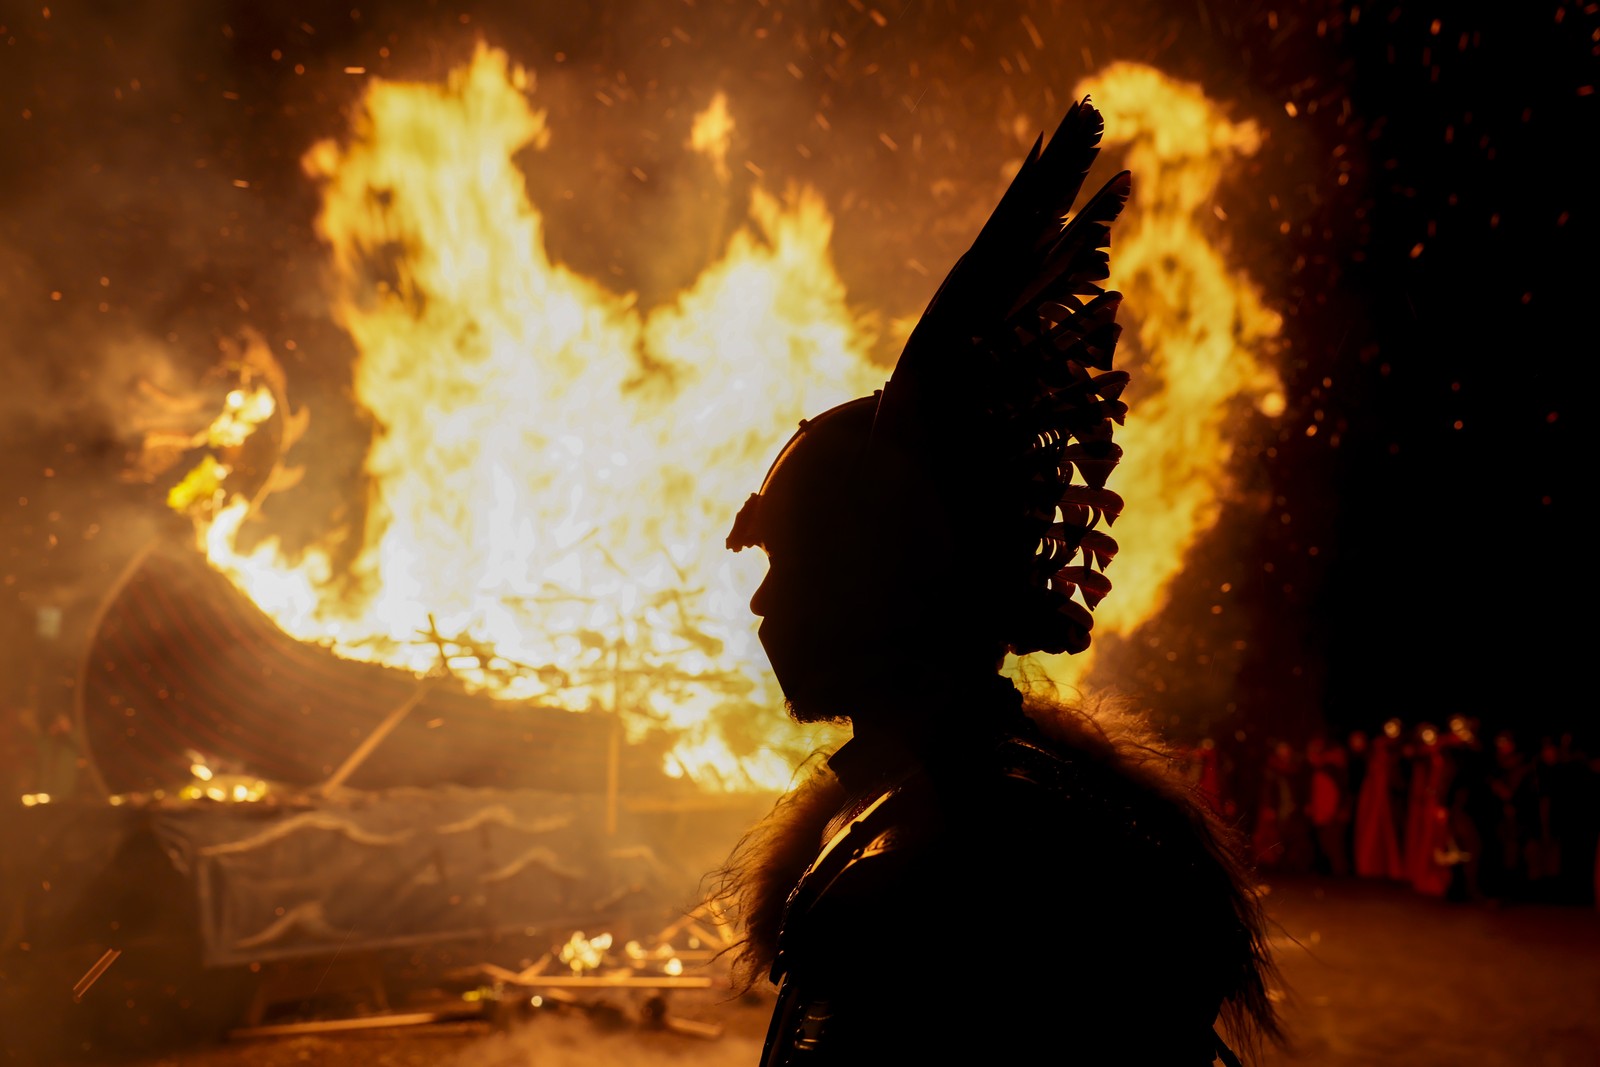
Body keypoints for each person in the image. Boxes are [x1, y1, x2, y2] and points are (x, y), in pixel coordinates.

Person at [715, 98, 1277, 1065]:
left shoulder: (957, 865)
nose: (764, 603)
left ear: (881, 587)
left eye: (791, 564)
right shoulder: (976, 812)